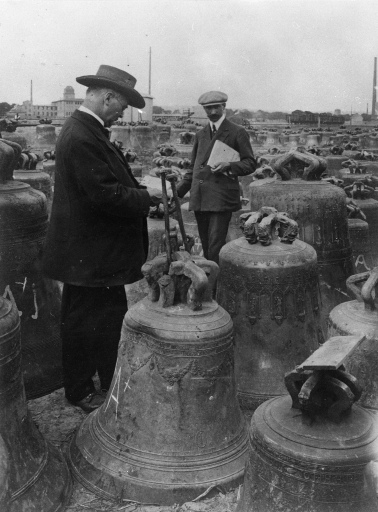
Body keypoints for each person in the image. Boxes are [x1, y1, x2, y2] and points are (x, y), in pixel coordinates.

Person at [42, 65, 161, 413]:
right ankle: (80, 390)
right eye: (122, 105)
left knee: (105, 318)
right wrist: (146, 198)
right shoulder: (81, 135)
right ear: (107, 97)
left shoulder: (88, 131)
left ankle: (109, 381)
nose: (123, 112)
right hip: (90, 254)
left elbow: (108, 181)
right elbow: (105, 195)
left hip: (93, 253)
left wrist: (138, 190)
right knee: (83, 322)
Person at [175, 91, 257, 264]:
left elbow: (250, 163)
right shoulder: (200, 134)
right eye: (207, 108)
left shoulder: (237, 132)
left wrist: (230, 165)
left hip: (221, 198)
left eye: (215, 107)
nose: (212, 112)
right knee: (206, 245)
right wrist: (177, 193)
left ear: (224, 107)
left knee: (215, 247)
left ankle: (215, 287)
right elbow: (193, 169)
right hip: (200, 197)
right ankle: (210, 283)